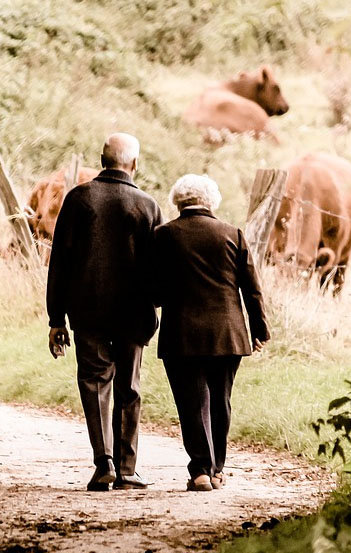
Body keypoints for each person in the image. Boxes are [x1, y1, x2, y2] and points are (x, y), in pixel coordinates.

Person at [46, 133, 163, 491]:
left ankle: (104, 463)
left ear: (101, 159)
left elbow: (59, 263)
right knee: (129, 386)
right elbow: (157, 266)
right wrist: (155, 304)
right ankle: (128, 469)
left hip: (88, 311)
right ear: (135, 164)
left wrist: (56, 319)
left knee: (95, 384)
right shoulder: (147, 205)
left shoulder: (79, 199)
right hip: (134, 313)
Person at [153, 174, 269, 491]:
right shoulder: (233, 234)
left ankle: (200, 470)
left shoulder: (164, 235)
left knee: (192, 403)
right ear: (211, 201)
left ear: (178, 200)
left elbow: (155, 289)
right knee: (221, 400)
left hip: (182, 334)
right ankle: (217, 469)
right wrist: (259, 329)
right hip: (229, 333)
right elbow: (252, 289)